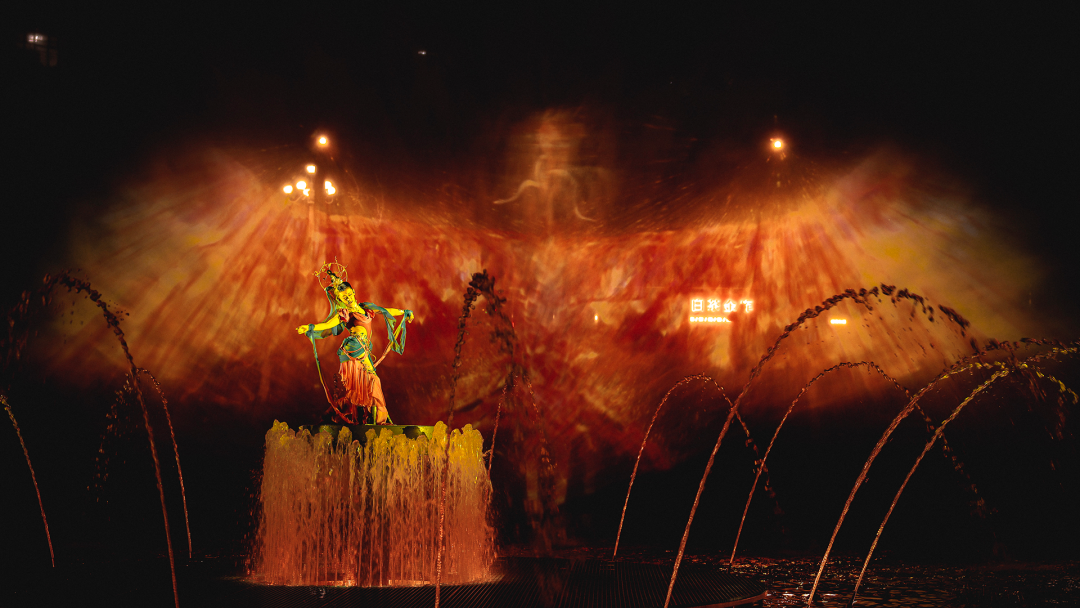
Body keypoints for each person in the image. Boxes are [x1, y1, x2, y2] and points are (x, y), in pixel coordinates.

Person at [296, 264, 414, 425]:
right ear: (339, 300)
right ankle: (377, 420)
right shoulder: (345, 313)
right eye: (344, 297)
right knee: (371, 382)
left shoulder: (365, 308)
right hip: (353, 348)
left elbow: (385, 311)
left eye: (349, 294)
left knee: (362, 388)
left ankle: (356, 418)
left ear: (353, 292)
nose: (348, 298)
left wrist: (403, 312)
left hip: (361, 349)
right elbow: (328, 324)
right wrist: (310, 327)